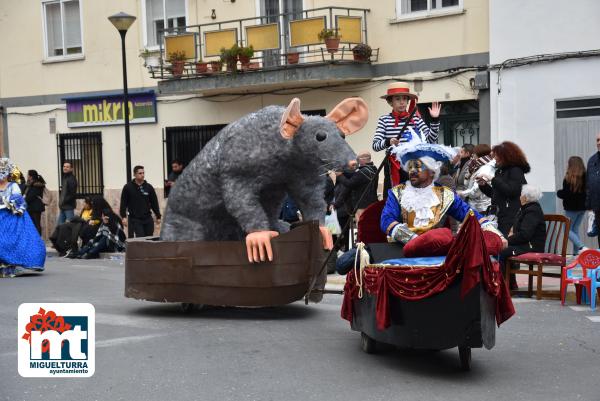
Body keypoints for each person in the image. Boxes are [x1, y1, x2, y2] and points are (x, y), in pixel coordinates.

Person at [381, 144, 505, 254]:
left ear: (431, 171)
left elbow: (469, 214)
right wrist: (415, 241)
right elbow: (386, 221)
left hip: (434, 251)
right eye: (410, 167)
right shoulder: (397, 192)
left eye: (417, 166)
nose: (412, 171)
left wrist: (496, 234)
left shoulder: (444, 194)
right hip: (402, 250)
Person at [372, 82, 442, 195]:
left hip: (414, 164)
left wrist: (434, 120)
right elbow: (375, 145)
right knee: (395, 197)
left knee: (416, 195)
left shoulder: (416, 119)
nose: (402, 102)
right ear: (390, 102)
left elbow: (430, 140)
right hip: (394, 166)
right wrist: (388, 141)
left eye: (404, 99)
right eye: (398, 99)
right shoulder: (384, 120)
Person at [0, 158, 46, 277]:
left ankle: (9, 266)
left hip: (11, 218)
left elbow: (19, 201)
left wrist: (10, 202)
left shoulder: (12, 186)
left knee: (9, 241)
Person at [476, 141, 530, 237]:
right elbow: (495, 194)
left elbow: (512, 191)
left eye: (497, 155)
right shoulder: (500, 171)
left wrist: (492, 179)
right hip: (499, 215)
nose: (494, 158)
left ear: (506, 156)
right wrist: (483, 185)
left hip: (510, 216)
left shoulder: (516, 171)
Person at [499, 185, 547, 290]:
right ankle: (511, 285)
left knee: (502, 251)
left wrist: (506, 240)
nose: (519, 197)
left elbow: (525, 234)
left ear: (525, 197)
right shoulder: (526, 209)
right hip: (525, 244)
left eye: (521, 194)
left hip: (531, 246)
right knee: (502, 249)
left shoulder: (532, 211)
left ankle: (503, 286)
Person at [334, 151, 378, 223]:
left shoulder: (362, 172)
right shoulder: (373, 169)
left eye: (358, 159)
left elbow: (350, 184)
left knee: (362, 226)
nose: (357, 161)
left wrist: (340, 176)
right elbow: (355, 175)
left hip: (362, 205)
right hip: (371, 203)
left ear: (363, 159)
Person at [558, 156, 588, 254]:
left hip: (571, 209)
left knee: (567, 230)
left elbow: (566, 194)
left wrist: (559, 193)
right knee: (574, 229)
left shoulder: (568, 178)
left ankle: (581, 247)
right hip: (582, 208)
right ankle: (576, 254)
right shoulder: (586, 177)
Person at [120, 165, 161, 238]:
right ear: (135, 174)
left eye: (143, 173)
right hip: (135, 219)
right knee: (141, 239)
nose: (142, 175)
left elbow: (154, 202)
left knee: (149, 239)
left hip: (148, 218)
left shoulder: (149, 187)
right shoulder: (128, 187)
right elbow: (123, 203)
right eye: (140, 173)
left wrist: (158, 216)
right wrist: (123, 216)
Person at [457, 144, 495, 214]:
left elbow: (476, 191)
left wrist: (461, 193)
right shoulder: (476, 165)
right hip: (474, 205)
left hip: (482, 207)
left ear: (479, 155)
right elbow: (468, 183)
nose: (472, 156)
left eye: (474, 154)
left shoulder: (486, 168)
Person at [586, 132, 600, 248]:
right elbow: (589, 184)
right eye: (597, 140)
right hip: (597, 207)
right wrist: (589, 206)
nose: (599, 143)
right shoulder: (592, 160)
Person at [24, 169, 46, 235]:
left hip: (35, 207)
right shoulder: (30, 184)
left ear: (31, 176)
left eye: (28, 175)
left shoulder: (36, 185)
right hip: (32, 207)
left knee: (36, 224)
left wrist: (24, 200)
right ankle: (35, 239)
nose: (27, 176)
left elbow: (31, 196)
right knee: (33, 224)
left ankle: (38, 240)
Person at [57, 160, 78, 225]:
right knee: (60, 225)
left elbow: (73, 194)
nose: (65, 168)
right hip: (63, 206)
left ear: (71, 169)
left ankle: (74, 235)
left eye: (67, 167)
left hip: (68, 206)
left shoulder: (71, 179)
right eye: (64, 166)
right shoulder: (65, 177)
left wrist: (64, 201)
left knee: (71, 225)